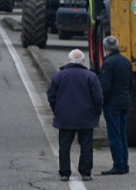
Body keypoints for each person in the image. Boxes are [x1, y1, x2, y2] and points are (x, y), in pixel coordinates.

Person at [47, 49, 103, 182]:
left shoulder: (59, 76)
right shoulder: (91, 76)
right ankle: (85, 172)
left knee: (64, 146)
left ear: (69, 60)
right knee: (86, 146)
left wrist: (57, 110)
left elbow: (51, 96)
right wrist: (96, 112)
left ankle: (64, 173)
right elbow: (98, 97)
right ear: (83, 61)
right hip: (86, 117)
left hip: (65, 117)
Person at [100, 35, 134, 175]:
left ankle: (118, 165)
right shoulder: (126, 61)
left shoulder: (108, 63)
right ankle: (124, 164)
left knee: (114, 135)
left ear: (105, 47)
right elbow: (131, 84)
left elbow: (105, 87)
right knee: (122, 134)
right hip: (125, 101)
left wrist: (102, 101)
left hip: (112, 103)